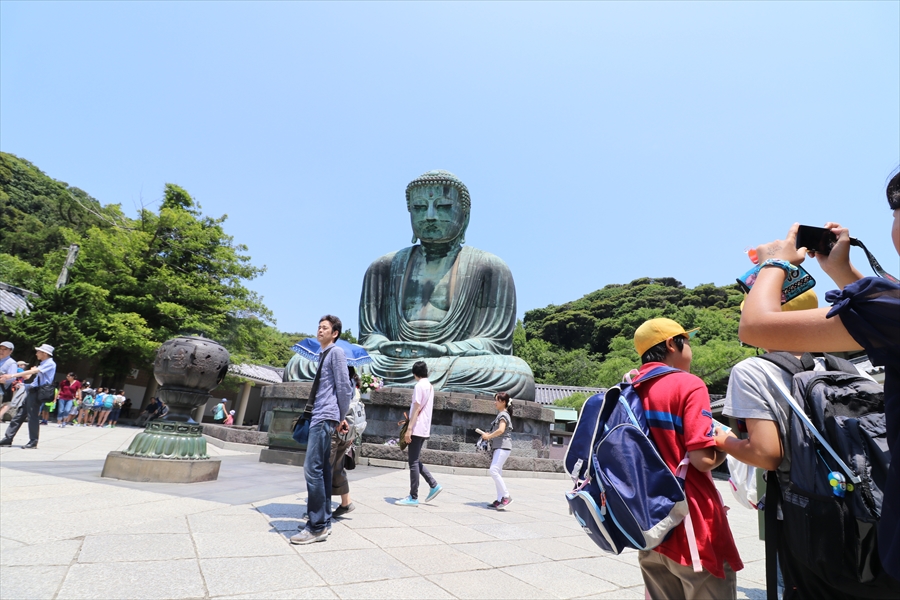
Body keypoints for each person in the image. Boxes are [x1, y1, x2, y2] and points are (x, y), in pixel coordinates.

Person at [739, 171, 900, 585]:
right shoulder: (856, 349)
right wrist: (841, 269)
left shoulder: (750, 370)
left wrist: (776, 261)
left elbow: (755, 326)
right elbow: (886, 311)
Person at [284, 170, 535, 400]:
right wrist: (385, 345)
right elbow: (370, 336)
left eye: (443, 206)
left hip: (450, 362)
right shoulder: (383, 266)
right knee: (302, 363)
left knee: (515, 373)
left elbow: (494, 343)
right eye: (419, 207)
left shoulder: (490, 267)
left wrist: (441, 350)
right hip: (387, 360)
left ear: (465, 215)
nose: (430, 216)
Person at [631, 318, 742, 600]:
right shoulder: (688, 384)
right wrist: (724, 443)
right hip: (692, 523)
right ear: (672, 344)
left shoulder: (630, 387)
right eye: (688, 341)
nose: (691, 349)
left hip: (649, 524)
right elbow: (702, 460)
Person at [290, 315, 353, 545]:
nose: (320, 330)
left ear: (334, 333)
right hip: (322, 415)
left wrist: (341, 416)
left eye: (325, 328)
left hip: (324, 416)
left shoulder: (336, 352)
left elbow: (344, 387)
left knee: (312, 469)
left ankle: (316, 526)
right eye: (318, 327)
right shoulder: (323, 354)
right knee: (323, 470)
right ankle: (323, 522)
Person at [396, 361, 443, 506]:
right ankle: (433, 484)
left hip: (416, 427)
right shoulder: (430, 386)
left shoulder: (419, 386)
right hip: (424, 428)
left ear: (415, 373)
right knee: (414, 460)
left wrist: (409, 429)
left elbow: (416, 408)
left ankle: (413, 496)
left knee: (413, 462)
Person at [0, 343, 57, 449]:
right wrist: (25, 385)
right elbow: (37, 379)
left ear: (44, 353)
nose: (36, 353)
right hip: (32, 391)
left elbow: (34, 371)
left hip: (37, 392)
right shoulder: (44, 363)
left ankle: (33, 441)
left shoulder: (50, 363)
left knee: (32, 416)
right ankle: (8, 438)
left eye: (38, 351)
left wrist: (12, 375)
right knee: (19, 415)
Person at [480, 392, 514, 509]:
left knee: (493, 470)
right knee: (497, 472)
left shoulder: (503, 415)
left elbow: (501, 430)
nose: (495, 403)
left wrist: (489, 436)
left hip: (503, 447)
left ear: (503, 402)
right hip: (500, 446)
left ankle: (506, 496)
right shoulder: (502, 414)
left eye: (497, 400)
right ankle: (500, 500)